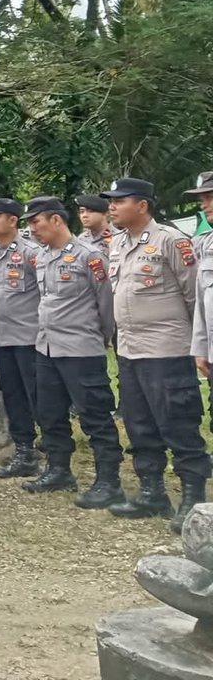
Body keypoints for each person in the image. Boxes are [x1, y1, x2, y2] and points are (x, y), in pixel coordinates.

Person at [102, 176, 206, 531]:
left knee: (178, 423)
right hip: (130, 351)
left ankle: (193, 498)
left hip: (167, 350)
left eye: (119, 201)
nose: (112, 207)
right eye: (110, 202)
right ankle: (152, 493)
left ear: (142, 205)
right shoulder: (117, 243)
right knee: (139, 423)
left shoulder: (171, 241)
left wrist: (198, 347)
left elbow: (194, 297)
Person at [21, 196, 124, 508]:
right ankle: (58, 470)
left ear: (55, 220)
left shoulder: (89, 256)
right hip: (46, 348)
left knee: (95, 417)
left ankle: (109, 481)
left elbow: (107, 305)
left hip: (81, 350)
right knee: (50, 414)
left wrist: (98, 338)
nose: (32, 229)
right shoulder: (41, 257)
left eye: (35, 222)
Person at [0, 197, 43, 480]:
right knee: (14, 397)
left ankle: (55, 453)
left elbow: (46, 294)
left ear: (13, 221)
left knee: (39, 398)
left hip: (31, 338)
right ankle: (24, 452)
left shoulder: (33, 252)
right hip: (3, 340)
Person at [190, 172, 213, 404]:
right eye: (202, 198)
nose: (203, 205)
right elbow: (201, 300)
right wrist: (200, 348)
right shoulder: (206, 244)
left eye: (209, 197)